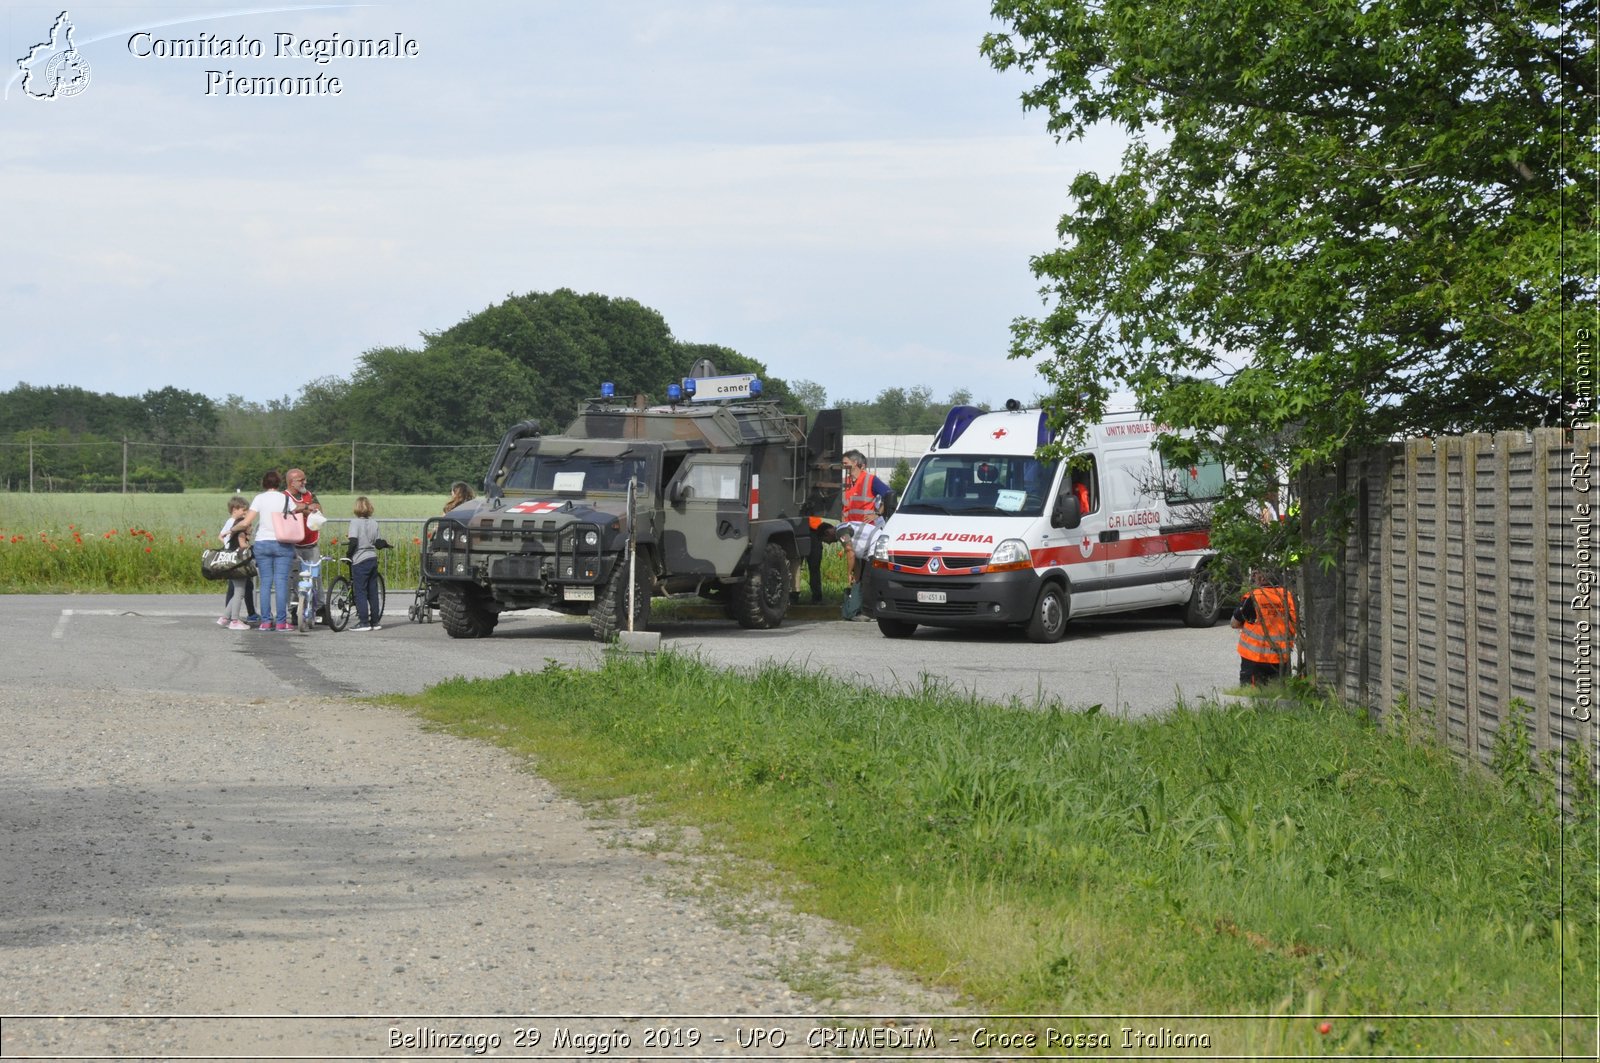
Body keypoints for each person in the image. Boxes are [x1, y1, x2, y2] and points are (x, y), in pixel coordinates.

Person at [232, 470, 295, 630]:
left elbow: (246, 522)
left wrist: (230, 530)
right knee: (281, 582)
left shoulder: (259, 498)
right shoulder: (286, 499)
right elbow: (293, 517)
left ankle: (266, 621)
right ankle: (281, 622)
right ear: (279, 482)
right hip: (282, 543)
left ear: (264, 483)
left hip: (262, 543)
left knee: (265, 582)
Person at [1231, 571, 1298, 686]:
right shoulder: (1288, 596)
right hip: (1281, 657)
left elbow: (1234, 623)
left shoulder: (1253, 597)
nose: (1253, 577)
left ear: (1261, 579)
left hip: (1255, 659)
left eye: (1255, 574)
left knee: (1252, 697)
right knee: (1280, 692)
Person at [216, 496, 254, 630]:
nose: (251, 528)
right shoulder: (241, 533)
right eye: (250, 525)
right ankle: (235, 620)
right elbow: (243, 546)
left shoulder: (233, 530)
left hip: (229, 562)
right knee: (239, 592)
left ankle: (224, 617)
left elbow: (222, 537)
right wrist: (251, 547)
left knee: (237, 590)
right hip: (238, 564)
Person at [346, 496, 383, 632]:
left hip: (360, 559)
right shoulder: (374, 523)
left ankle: (363, 622)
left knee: (360, 591)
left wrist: (348, 554)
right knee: (372, 592)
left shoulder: (354, 523)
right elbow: (378, 543)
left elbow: (353, 541)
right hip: (372, 558)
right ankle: (375, 621)